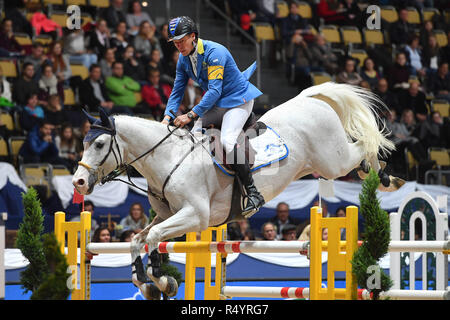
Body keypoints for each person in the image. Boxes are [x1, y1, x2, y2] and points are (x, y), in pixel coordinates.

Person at [160, 16, 264, 216]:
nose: (178, 45)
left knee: (226, 140)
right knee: (194, 138)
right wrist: (167, 116)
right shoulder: (183, 59)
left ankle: (252, 192)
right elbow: (177, 90)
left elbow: (214, 91)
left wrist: (190, 115)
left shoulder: (215, 52)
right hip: (216, 104)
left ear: (193, 36)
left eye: (181, 40)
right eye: (175, 42)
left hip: (237, 100)